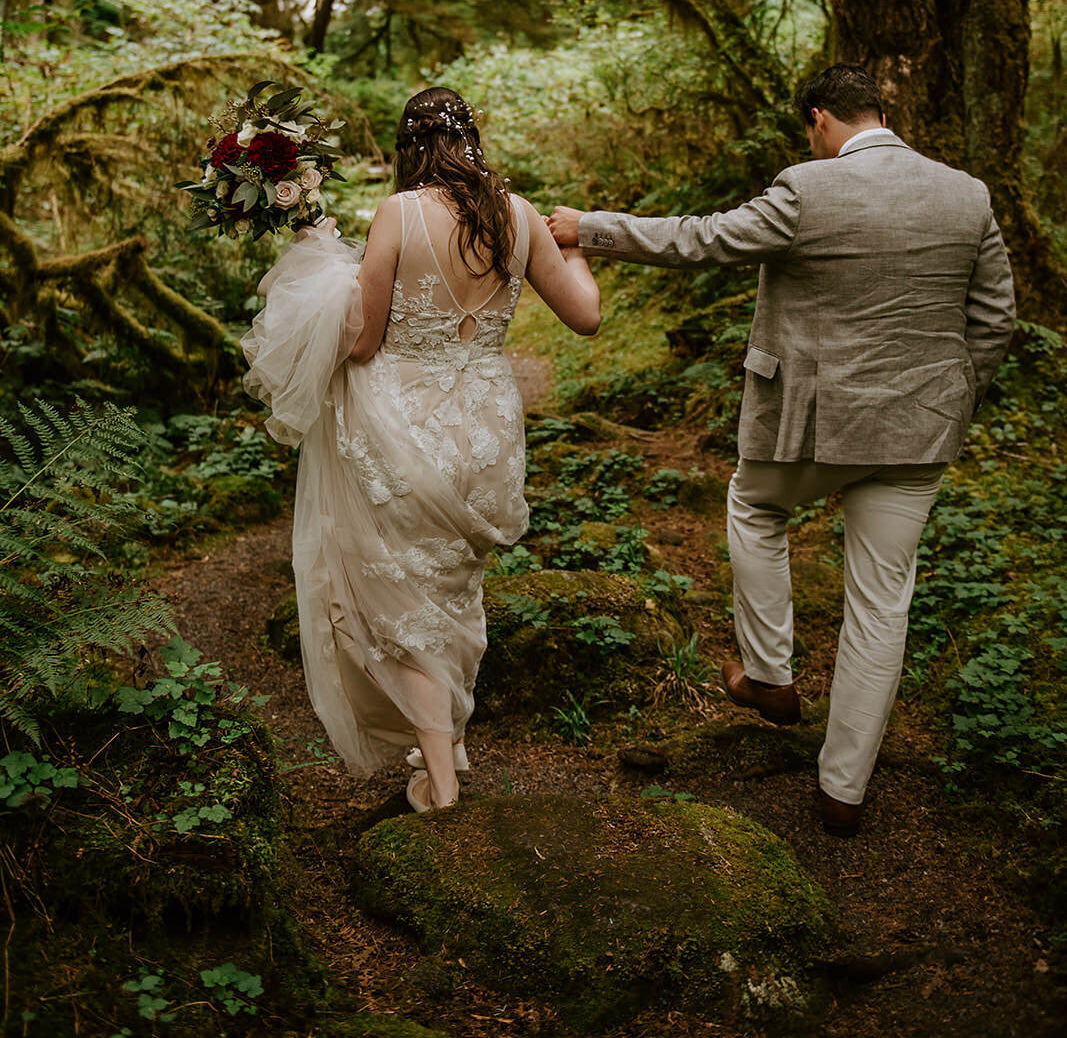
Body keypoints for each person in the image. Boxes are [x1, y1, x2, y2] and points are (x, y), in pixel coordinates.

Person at [547, 64, 1015, 836]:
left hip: (813, 423)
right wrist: (951, 399)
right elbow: (993, 319)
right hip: (918, 430)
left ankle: (768, 673)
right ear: (881, 114)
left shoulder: (807, 186)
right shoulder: (966, 194)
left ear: (819, 118)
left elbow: (703, 241)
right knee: (881, 605)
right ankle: (843, 790)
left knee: (756, 506)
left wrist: (590, 228)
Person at [242, 88, 599, 811]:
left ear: (409, 149)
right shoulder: (518, 213)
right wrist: (579, 249)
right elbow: (585, 317)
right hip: (486, 423)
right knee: (451, 585)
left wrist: (319, 287)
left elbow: (366, 339)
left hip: (399, 419)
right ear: (472, 140)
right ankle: (451, 743)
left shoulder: (397, 215)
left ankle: (438, 777)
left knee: (397, 593)